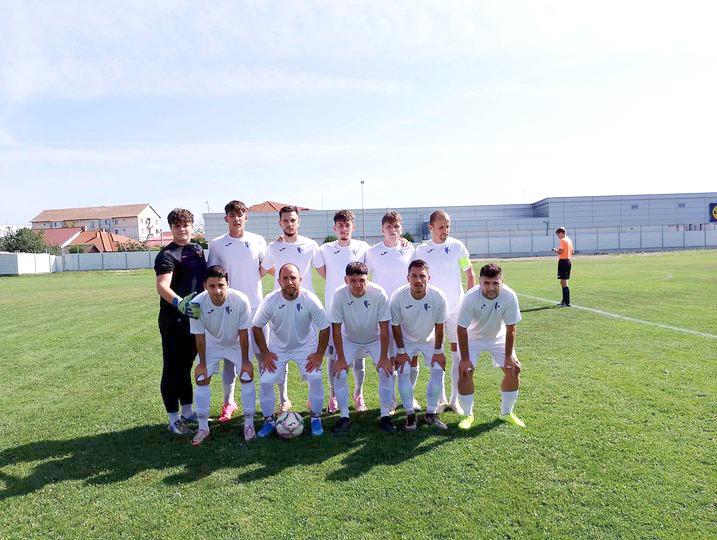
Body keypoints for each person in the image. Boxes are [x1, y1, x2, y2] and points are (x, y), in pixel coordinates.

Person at [252, 263, 330, 437]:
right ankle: (269, 421)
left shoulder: (310, 299)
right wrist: (265, 353)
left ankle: (316, 418)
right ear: (278, 281)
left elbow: (325, 327)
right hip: (278, 348)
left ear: (300, 279)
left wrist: (319, 354)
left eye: (293, 278)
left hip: (305, 346)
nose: (289, 282)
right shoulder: (270, 301)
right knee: (266, 380)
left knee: (315, 377)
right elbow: (256, 327)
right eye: (285, 278)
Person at [207, 200, 269, 422]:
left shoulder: (258, 240)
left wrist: (251, 280)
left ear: (246, 217)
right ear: (226, 218)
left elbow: (265, 266)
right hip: (229, 309)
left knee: (263, 354)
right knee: (230, 358)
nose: (236, 218)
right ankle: (229, 402)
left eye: (240, 214)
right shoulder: (217, 244)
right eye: (232, 215)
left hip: (256, 307)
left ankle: (269, 401)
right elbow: (213, 274)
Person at [413, 210, 475, 414]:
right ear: (431, 228)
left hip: (456, 310)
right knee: (436, 354)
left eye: (448, 226)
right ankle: (440, 399)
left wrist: (467, 303)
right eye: (441, 227)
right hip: (432, 312)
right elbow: (416, 277)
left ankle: (455, 400)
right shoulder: (421, 250)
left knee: (457, 355)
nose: (445, 231)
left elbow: (470, 274)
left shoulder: (457, 246)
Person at [261, 205, 321, 412]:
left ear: (298, 222)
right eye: (285, 220)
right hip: (280, 305)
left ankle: (313, 399)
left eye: (293, 220)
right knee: (280, 352)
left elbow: (325, 270)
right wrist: (282, 280)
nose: (289, 224)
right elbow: (262, 269)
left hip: (307, 307)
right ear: (280, 223)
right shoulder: (273, 247)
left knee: (310, 355)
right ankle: (284, 399)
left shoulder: (311, 245)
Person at [154, 208, 207, 436]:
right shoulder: (166, 255)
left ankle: (187, 412)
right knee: (172, 368)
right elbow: (162, 285)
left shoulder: (197, 250)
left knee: (186, 366)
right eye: (177, 226)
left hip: (194, 319)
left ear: (192, 226)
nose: (182, 229)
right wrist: (180, 303)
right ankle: (173, 419)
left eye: (186, 225)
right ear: (171, 228)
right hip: (174, 319)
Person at [189, 265, 256, 445]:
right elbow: (199, 336)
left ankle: (249, 424)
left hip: (236, 343)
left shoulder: (240, 300)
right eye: (212, 286)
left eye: (221, 285)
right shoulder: (196, 304)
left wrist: (245, 361)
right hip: (212, 344)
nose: (217, 290)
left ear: (227, 284)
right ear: (205, 286)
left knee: (247, 375)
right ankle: (203, 427)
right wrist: (202, 364)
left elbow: (243, 333)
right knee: (201, 377)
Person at [456, 263, 525, 430]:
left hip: (497, 337)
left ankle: (506, 413)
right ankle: (467, 415)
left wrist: (508, 357)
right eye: (486, 283)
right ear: (480, 282)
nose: (491, 287)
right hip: (472, 338)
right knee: (465, 372)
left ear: (502, 281)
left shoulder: (509, 296)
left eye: (495, 283)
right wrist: (464, 359)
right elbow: (461, 328)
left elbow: (511, 328)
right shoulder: (470, 298)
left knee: (513, 369)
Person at [314, 210, 370, 413]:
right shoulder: (325, 249)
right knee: (333, 356)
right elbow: (324, 273)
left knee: (358, 357)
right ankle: (333, 396)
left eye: (347, 225)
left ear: (353, 227)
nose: (344, 229)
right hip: (333, 311)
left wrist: (404, 241)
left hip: (357, 311)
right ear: (334, 228)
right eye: (340, 226)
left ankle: (358, 394)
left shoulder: (364, 247)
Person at [329, 262, 392, 433]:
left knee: (386, 371)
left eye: (362, 280)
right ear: (346, 280)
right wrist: (341, 359)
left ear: (367, 279)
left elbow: (384, 327)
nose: (358, 285)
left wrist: (384, 357)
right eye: (353, 281)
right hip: (349, 340)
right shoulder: (339, 295)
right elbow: (336, 328)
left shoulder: (378, 293)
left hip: (374, 339)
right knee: (340, 373)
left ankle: (385, 416)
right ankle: (344, 417)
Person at [365, 211, 416, 411]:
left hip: (406, 308)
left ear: (401, 228)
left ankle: (409, 396)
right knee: (389, 356)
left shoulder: (410, 249)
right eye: (388, 226)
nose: (392, 230)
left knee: (410, 355)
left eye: (396, 226)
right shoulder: (372, 252)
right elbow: (363, 278)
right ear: (382, 229)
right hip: (382, 311)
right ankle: (391, 399)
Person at [390, 260, 449, 431]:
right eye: (414, 276)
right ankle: (410, 415)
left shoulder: (438, 296)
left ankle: (431, 414)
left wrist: (438, 351)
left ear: (428, 278)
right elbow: (395, 326)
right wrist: (401, 351)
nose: (418, 280)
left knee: (438, 369)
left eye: (422, 276)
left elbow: (440, 326)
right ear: (407, 278)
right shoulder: (398, 297)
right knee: (403, 372)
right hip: (406, 340)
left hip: (429, 340)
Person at [552, 227, 574, 307]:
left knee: (563, 282)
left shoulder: (563, 240)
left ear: (561, 233)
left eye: (558, 234)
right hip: (568, 261)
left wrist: (555, 250)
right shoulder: (569, 240)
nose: (558, 236)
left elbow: (560, 252)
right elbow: (572, 251)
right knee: (563, 282)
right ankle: (565, 301)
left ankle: (566, 302)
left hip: (563, 262)